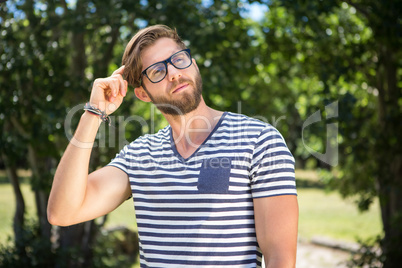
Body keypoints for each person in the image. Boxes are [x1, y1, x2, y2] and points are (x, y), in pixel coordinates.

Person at [47, 24, 298, 268]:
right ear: (143, 94)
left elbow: (280, 259)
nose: (174, 73)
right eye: (157, 71)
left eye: (178, 59)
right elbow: (62, 212)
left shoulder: (259, 140)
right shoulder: (140, 156)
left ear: (194, 64)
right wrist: (93, 113)